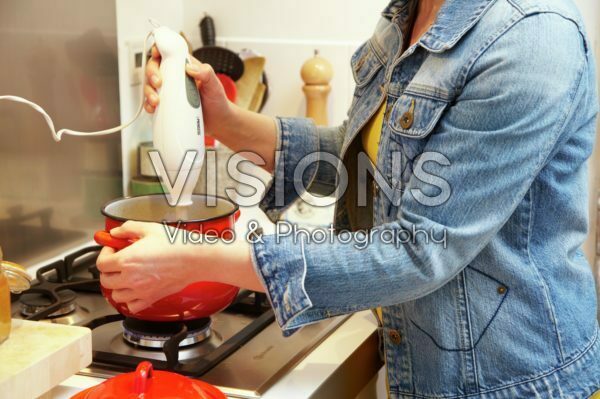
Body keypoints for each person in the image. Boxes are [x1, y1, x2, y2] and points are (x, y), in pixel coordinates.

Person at [97, 0, 600, 397]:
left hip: (510, 384)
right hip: (421, 365)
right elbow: (370, 163)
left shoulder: (532, 37)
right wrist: (226, 121)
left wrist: (195, 260)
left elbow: (420, 250)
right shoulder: (409, 13)